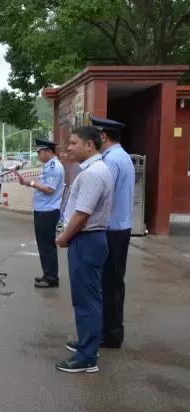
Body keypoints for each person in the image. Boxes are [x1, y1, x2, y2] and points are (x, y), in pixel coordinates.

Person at [55, 126, 113, 373]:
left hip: (86, 239)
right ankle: (88, 342)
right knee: (89, 296)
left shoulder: (92, 174)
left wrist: (64, 238)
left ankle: (87, 357)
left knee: (86, 299)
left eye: (73, 143)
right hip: (90, 239)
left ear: (89, 145)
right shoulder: (96, 169)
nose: (68, 147)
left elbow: (81, 215)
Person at [93, 116, 134, 349]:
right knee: (115, 283)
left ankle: (108, 333)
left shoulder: (110, 161)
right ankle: (114, 330)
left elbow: (100, 196)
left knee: (107, 284)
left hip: (111, 230)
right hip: (122, 227)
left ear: (102, 136)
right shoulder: (123, 156)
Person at [16, 139, 64, 288]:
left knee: (47, 246)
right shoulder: (48, 166)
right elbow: (42, 182)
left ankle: (51, 278)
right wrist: (28, 181)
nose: (38, 154)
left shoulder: (55, 167)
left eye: (39, 152)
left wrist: (30, 183)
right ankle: (47, 273)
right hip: (42, 209)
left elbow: (49, 189)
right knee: (43, 246)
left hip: (48, 211)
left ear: (48, 151)